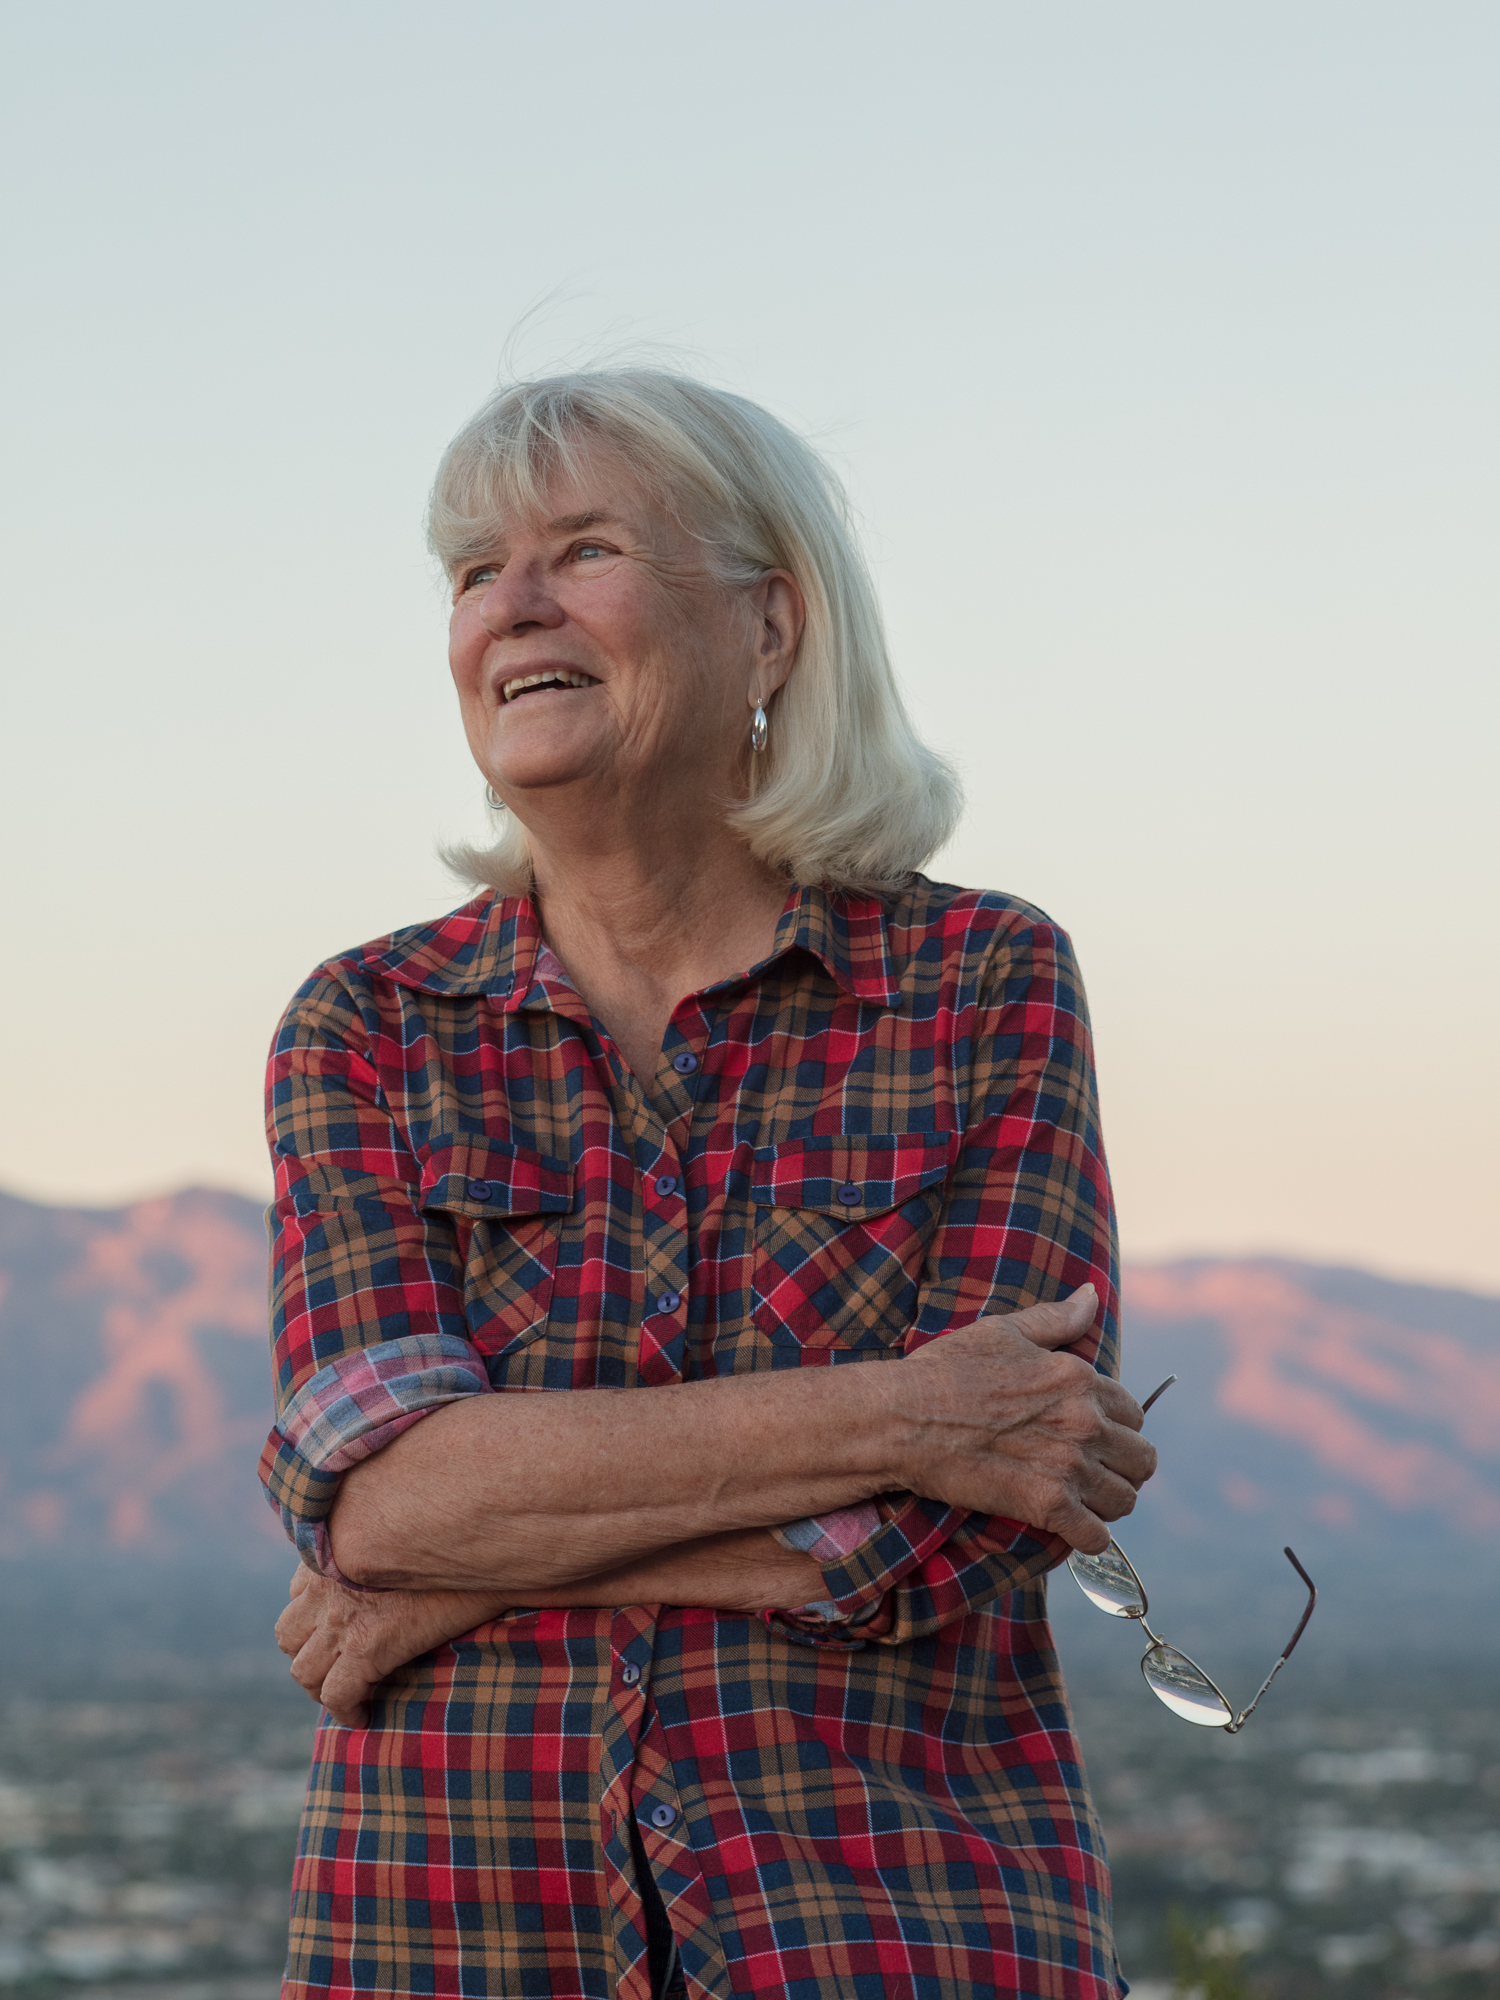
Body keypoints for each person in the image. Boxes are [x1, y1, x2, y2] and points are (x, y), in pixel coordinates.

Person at [264, 368, 1156, 2000]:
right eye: (475, 573)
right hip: (450, 1927)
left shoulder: (983, 983)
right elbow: (383, 1499)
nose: (508, 605)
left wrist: (453, 1578)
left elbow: (964, 1535)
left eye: (581, 550)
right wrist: (903, 1417)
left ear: (769, 628)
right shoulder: (368, 1026)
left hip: (890, 1920)